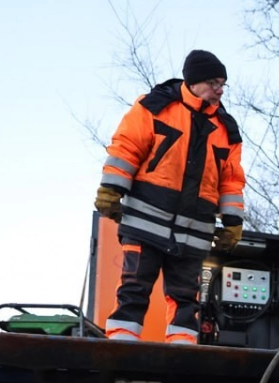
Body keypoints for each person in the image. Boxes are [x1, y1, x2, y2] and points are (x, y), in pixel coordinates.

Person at [94, 49, 246, 345]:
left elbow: (231, 180)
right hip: (146, 222)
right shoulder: (154, 106)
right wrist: (111, 189)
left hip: (194, 232)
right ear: (194, 80)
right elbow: (127, 148)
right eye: (214, 82)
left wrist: (232, 222)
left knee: (186, 298)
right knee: (134, 287)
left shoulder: (226, 129)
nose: (220, 90)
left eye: (223, 84)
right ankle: (122, 343)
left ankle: (182, 349)